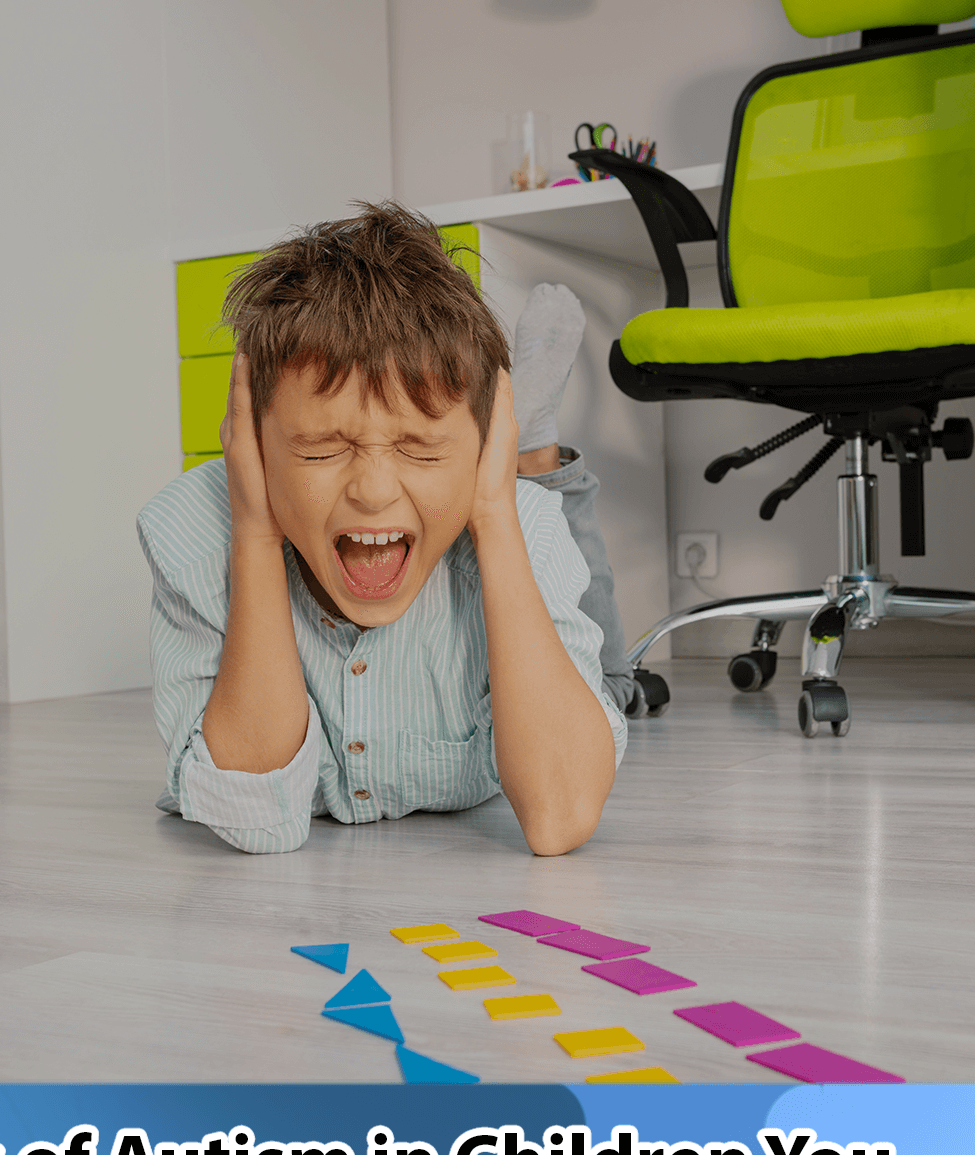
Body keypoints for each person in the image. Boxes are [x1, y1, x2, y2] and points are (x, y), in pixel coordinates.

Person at [137, 202, 641, 856]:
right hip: (390, 488)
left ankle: (527, 447)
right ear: (252, 448)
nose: (372, 492)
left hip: (494, 496)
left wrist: (492, 511)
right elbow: (256, 823)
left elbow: (559, 816)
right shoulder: (193, 534)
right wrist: (256, 533)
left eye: (421, 449)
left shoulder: (518, 522)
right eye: (320, 450)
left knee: (614, 672)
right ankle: (502, 438)